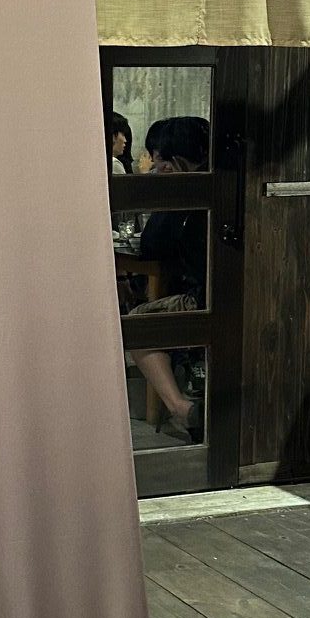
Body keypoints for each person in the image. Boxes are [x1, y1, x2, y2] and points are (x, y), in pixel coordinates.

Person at [126, 115, 209, 442]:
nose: (155, 165)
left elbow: (151, 244)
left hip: (204, 300)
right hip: (229, 294)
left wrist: (166, 191)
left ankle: (181, 409)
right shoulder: (222, 179)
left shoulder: (189, 189)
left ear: (173, 158)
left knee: (137, 323)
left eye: (158, 158)